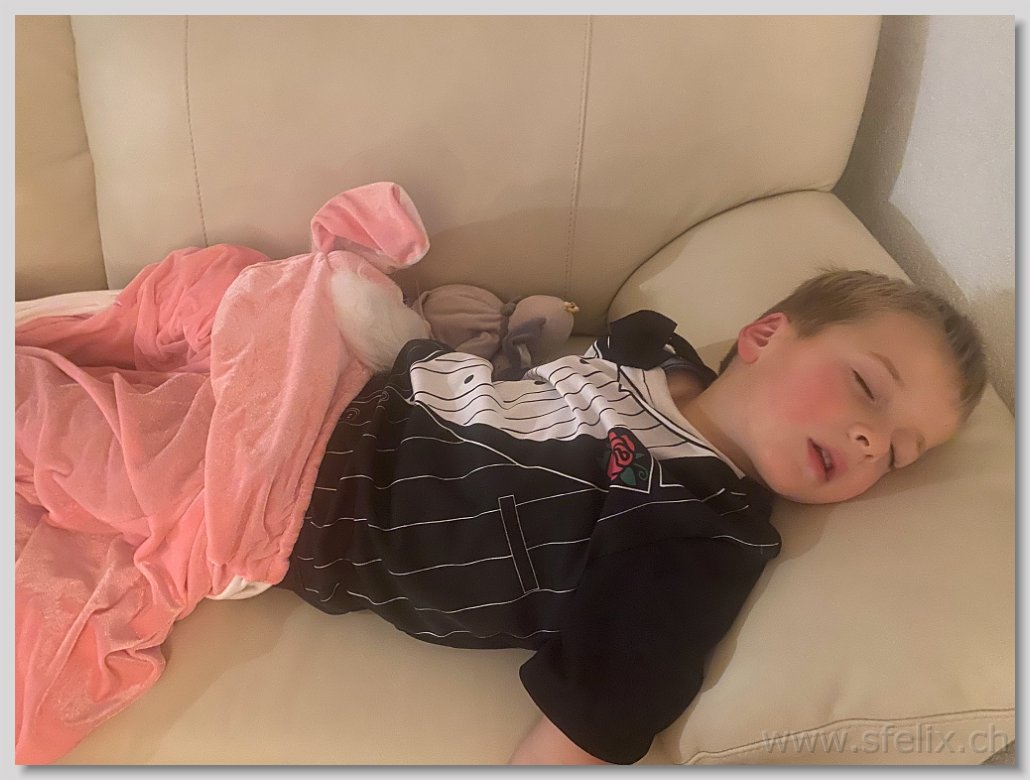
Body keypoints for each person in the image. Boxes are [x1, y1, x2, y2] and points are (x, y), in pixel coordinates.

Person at [276, 269, 987, 764]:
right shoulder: (651, 351)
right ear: (766, 335)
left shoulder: (700, 536)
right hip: (373, 382)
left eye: (897, 455)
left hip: (322, 502)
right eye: (866, 387)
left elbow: (596, 713)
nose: (870, 442)